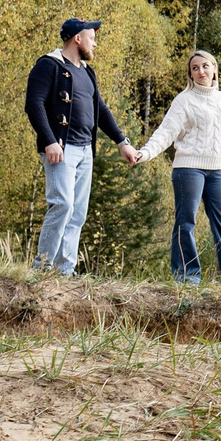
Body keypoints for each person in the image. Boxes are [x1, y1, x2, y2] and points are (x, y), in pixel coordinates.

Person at [24, 18, 138, 275]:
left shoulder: (87, 72)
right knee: (62, 205)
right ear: (77, 39)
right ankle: (42, 269)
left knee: (77, 214)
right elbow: (34, 104)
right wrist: (49, 140)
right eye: (92, 38)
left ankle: (64, 271)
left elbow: (101, 111)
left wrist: (122, 142)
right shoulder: (48, 65)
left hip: (86, 150)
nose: (95, 44)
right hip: (61, 150)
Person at [136, 49, 221, 286]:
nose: (201, 72)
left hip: (218, 171)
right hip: (188, 169)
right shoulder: (184, 100)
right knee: (186, 222)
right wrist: (145, 153)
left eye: (205, 66)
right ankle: (188, 276)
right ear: (190, 74)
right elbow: (166, 132)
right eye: (195, 68)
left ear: (214, 69)